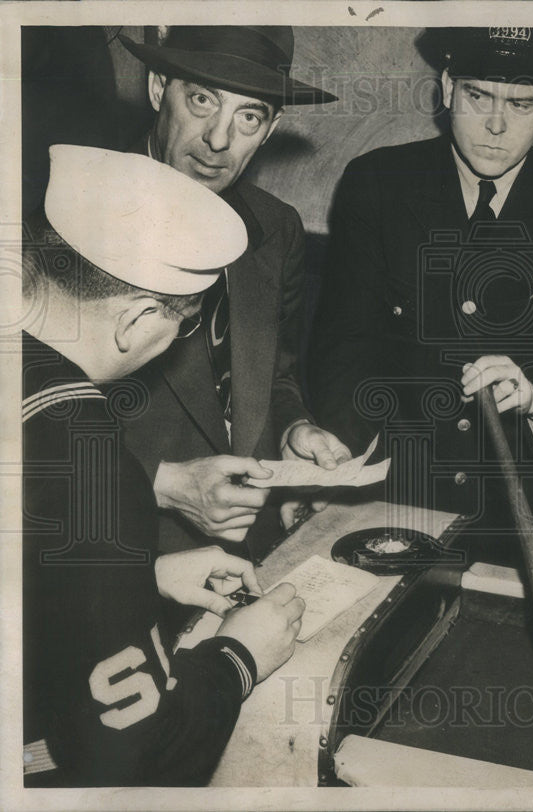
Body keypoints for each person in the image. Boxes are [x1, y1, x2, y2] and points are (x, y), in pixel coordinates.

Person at [21, 145, 306, 786]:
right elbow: (130, 752)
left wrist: (138, 576)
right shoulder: (88, 456)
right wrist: (239, 655)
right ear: (137, 319)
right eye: (181, 327)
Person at [308, 27, 533, 559]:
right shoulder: (378, 184)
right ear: (447, 87)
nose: (496, 125)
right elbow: (344, 342)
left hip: (522, 513)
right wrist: (341, 459)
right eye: (478, 95)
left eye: (522, 103)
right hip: (394, 495)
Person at [117, 26, 348, 562]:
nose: (219, 140)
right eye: (202, 100)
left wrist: (293, 430)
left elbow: (275, 377)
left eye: (249, 116)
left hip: (256, 546)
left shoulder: (276, 228)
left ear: (271, 129)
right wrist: (165, 483)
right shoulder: (67, 218)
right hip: (123, 555)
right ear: (158, 89)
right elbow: (29, 429)